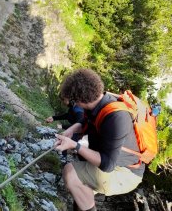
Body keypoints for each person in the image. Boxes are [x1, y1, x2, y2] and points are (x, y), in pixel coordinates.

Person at [54, 69, 145, 211]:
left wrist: (74, 145)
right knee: (81, 193)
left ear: (79, 100)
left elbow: (107, 164)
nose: (75, 106)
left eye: (74, 102)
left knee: (70, 172)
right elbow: (86, 123)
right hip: (113, 165)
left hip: (125, 172)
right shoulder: (99, 103)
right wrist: (71, 130)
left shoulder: (116, 118)